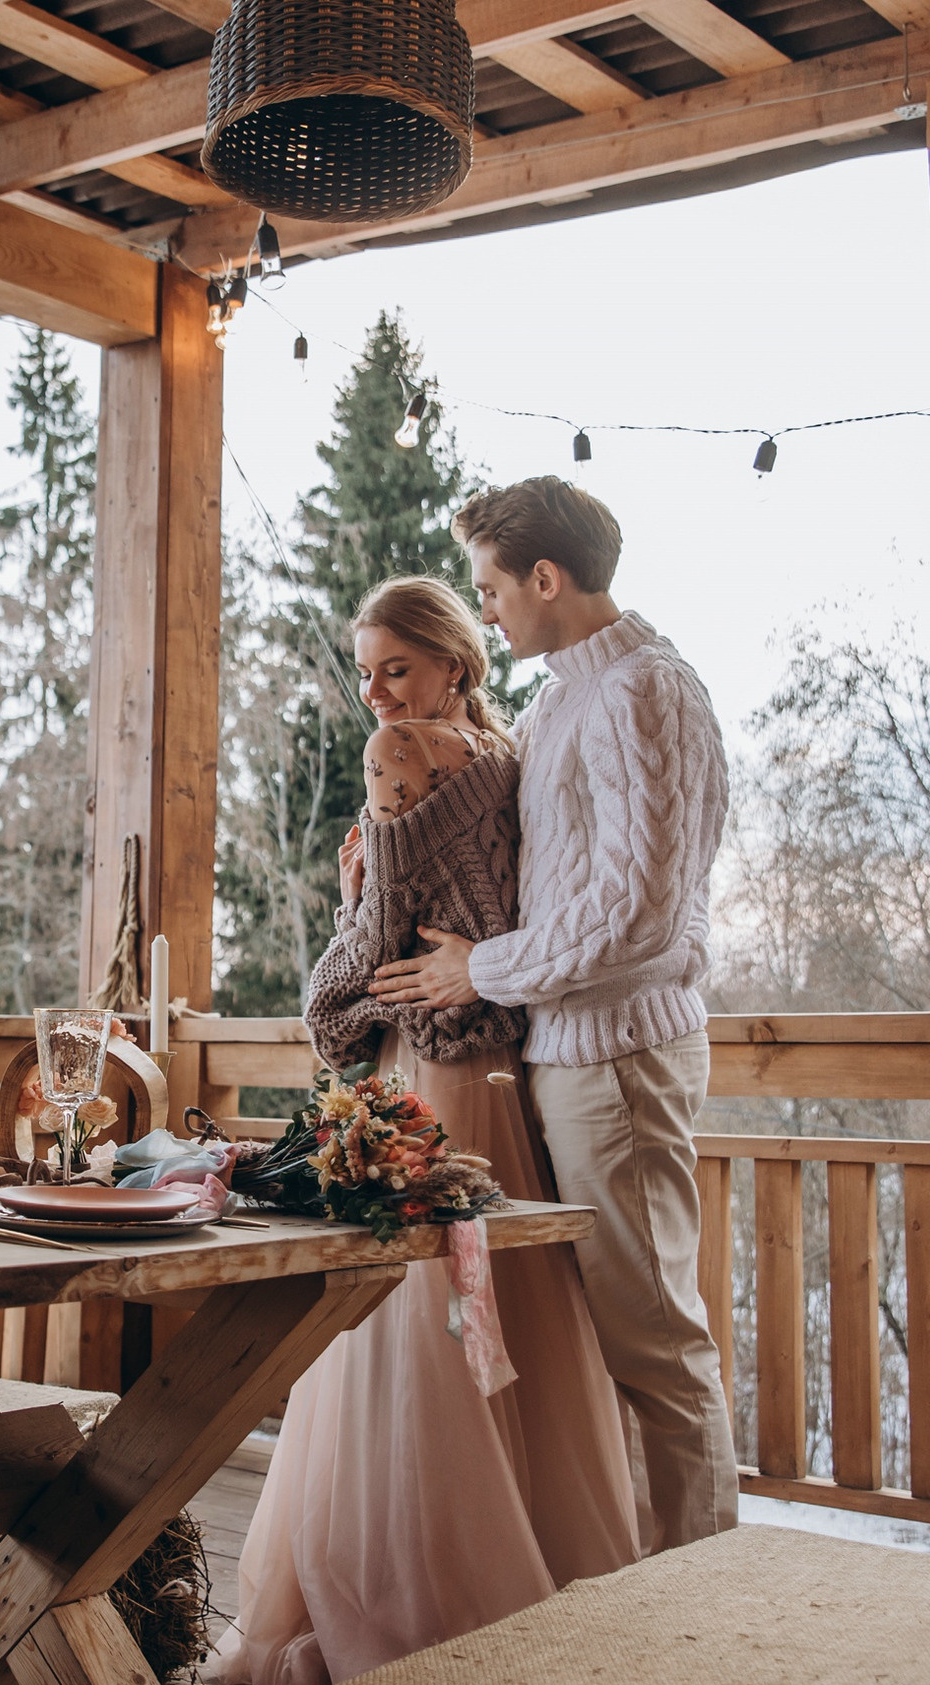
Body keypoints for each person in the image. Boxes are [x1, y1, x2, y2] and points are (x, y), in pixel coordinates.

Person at [210, 576, 640, 1685]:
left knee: (402, 1320)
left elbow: (369, 946)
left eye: (394, 666)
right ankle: (541, 1575)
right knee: (505, 1311)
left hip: (433, 1069)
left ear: (452, 663)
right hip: (503, 1069)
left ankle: (421, 1596)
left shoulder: (401, 752)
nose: (375, 693)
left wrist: (331, 982)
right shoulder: (503, 756)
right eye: (364, 670)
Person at [368, 476, 739, 1553]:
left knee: (656, 1344)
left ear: (545, 577)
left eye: (490, 586)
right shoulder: (556, 701)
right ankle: (630, 1578)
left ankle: (696, 1603)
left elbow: (639, 913)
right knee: (598, 1343)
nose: (483, 609)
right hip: (557, 1055)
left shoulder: (645, 690)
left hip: (620, 1059)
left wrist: (483, 969)